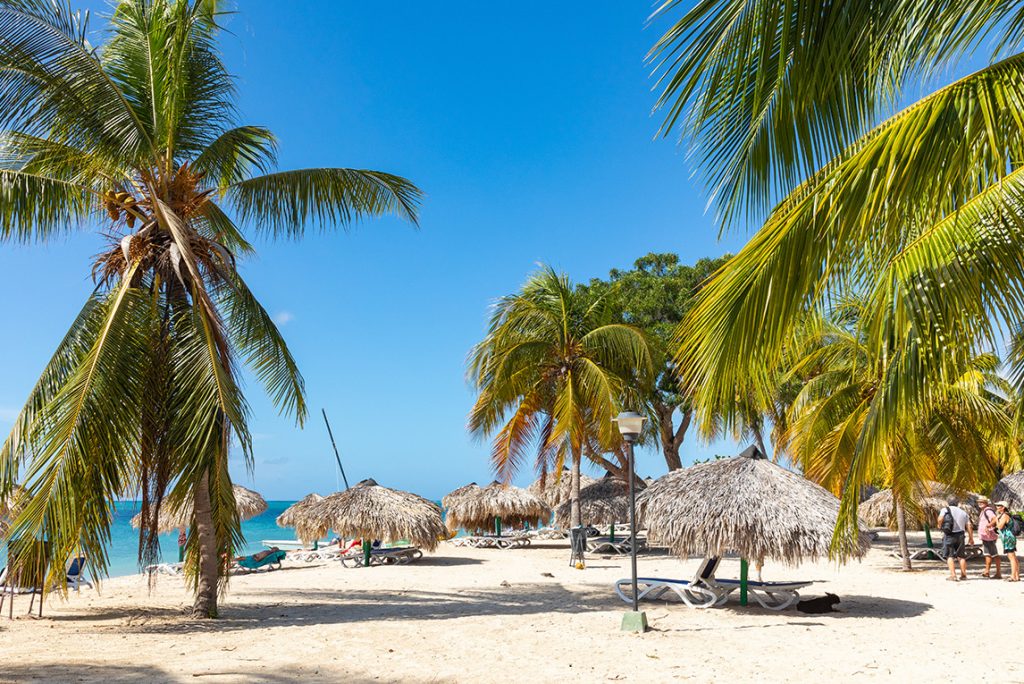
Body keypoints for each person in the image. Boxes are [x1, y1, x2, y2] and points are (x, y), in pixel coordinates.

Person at [936, 497, 973, 581]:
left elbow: (940, 518)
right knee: (961, 556)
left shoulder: (945, 509)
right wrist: (971, 538)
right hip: (961, 535)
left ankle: (953, 575)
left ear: (948, 503)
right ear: (957, 503)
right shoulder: (963, 512)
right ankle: (963, 575)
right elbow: (969, 525)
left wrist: (939, 525)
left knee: (949, 555)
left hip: (949, 534)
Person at [993, 501, 1020, 582]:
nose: (997, 507)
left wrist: (997, 519)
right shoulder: (1004, 515)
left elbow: (1000, 527)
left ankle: (1013, 576)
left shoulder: (1004, 515)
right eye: (996, 506)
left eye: (998, 506)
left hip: (1008, 538)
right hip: (1009, 537)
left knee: (1011, 557)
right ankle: (1016, 576)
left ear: (1003, 507)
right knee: (1013, 557)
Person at [976, 497, 1002, 579]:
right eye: (979, 502)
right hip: (986, 536)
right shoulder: (984, 511)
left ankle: (998, 573)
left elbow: (995, 519)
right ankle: (987, 571)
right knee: (987, 554)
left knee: (994, 554)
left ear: (986, 502)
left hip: (989, 536)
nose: (980, 503)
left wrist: (988, 526)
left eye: (982, 502)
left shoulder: (988, 510)